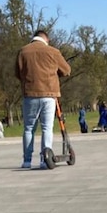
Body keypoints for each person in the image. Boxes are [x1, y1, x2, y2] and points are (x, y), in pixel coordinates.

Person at [15, 29, 71, 170]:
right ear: (47, 39)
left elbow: (18, 72)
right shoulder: (53, 52)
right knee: (47, 128)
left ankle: (27, 161)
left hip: (30, 94)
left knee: (29, 128)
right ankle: (44, 159)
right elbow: (66, 70)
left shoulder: (23, 51)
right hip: (49, 94)